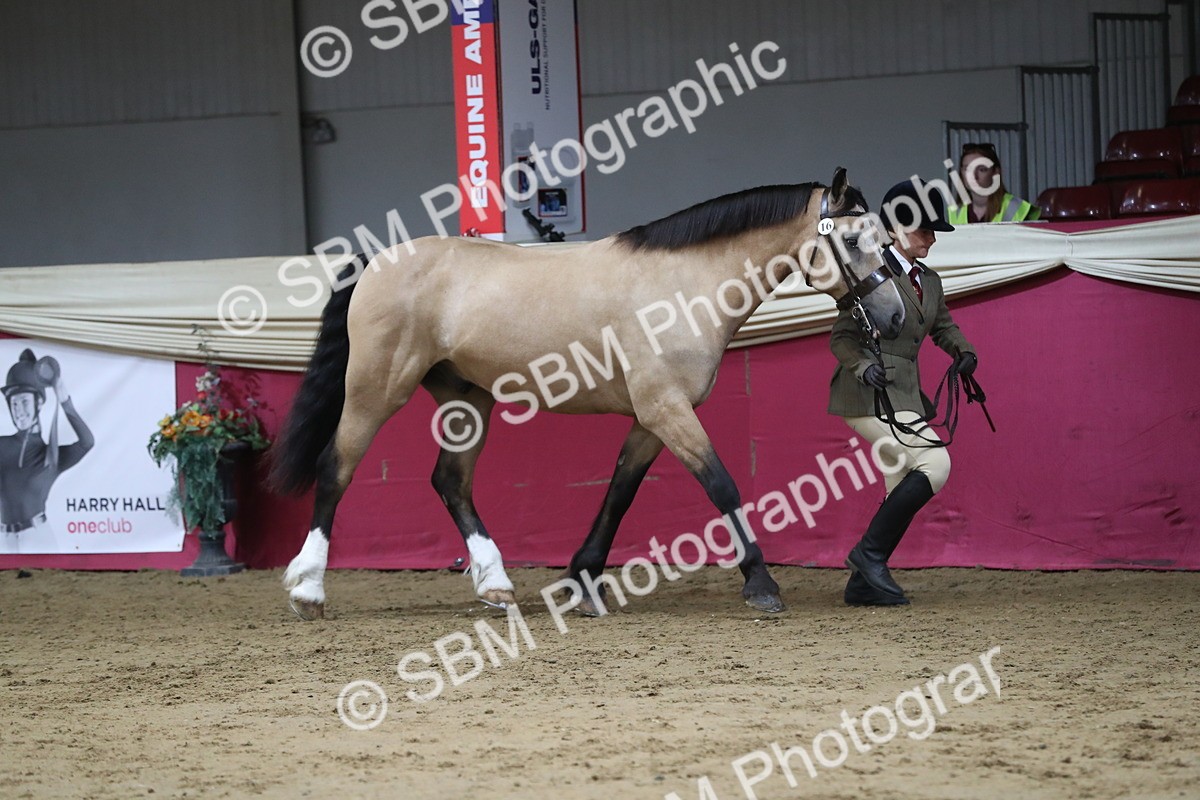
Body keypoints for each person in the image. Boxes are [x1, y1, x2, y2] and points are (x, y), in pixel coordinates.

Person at [827, 179, 977, 606]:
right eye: (923, 229)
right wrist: (864, 365)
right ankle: (868, 554)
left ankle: (862, 583)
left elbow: (943, 327)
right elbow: (841, 338)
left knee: (900, 483)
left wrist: (963, 352)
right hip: (866, 393)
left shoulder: (929, 281)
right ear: (894, 229)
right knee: (934, 463)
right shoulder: (869, 274)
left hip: (906, 395)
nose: (931, 237)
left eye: (933, 230)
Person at [0, 349, 94, 553]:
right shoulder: (2, 445)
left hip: (37, 537)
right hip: (4, 540)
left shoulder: (52, 455)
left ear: (39, 402)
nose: (18, 410)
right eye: (13, 403)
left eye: (24, 402)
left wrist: (63, 398)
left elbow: (87, 442)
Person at [950, 142, 1040, 223]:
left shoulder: (1016, 209)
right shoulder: (955, 212)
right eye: (968, 169)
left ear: (996, 172)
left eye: (982, 169)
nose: (973, 176)